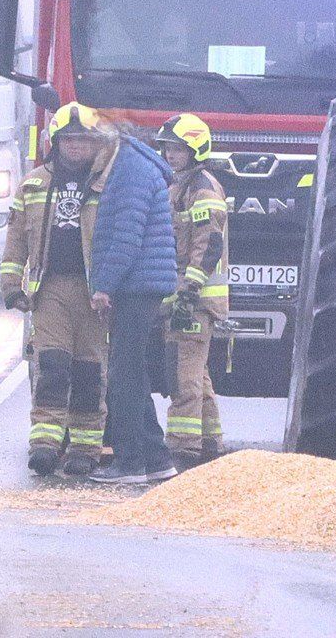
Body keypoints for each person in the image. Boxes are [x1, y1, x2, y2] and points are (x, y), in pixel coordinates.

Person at [0, 103, 112, 478]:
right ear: (55, 143)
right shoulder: (33, 184)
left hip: (94, 293)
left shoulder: (107, 184)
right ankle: (45, 444)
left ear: (95, 144)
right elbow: (15, 240)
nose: (76, 148)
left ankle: (84, 446)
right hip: (49, 290)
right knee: (52, 366)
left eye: (83, 140)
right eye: (69, 140)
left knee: (88, 370)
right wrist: (11, 286)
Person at [85, 120, 182, 486]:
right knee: (133, 372)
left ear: (104, 143)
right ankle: (156, 458)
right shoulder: (135, 165)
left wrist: (103, 286)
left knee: (123, 376)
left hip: (136, 285)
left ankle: (129, 463)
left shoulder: (129, 171)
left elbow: (126, 236)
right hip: (143, 283)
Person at [152, 114, 232, 466]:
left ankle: (183, 447)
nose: (171, 155)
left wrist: (188, 292)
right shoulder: (179, 185)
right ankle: (211, 442)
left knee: (183, 375)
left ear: (196, 149)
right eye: (168, 148)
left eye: (179, 149)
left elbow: (208, 244)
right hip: (184, 297)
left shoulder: (202, 189)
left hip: (195, 301)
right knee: (197, 373)